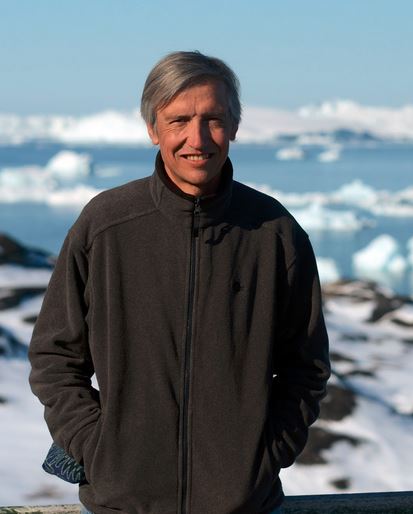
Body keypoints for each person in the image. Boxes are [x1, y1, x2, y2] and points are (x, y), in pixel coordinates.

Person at [28, 51, 330, 514]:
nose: (197, 138)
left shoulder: (274, 234)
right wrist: (98, 448)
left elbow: (305, 368)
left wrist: (264, 456)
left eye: (213, 119)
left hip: (243, 506)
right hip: (123, 504)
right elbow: (55, 357)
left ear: (233, 126)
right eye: (179, 120)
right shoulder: (106, 225)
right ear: (153, 128)